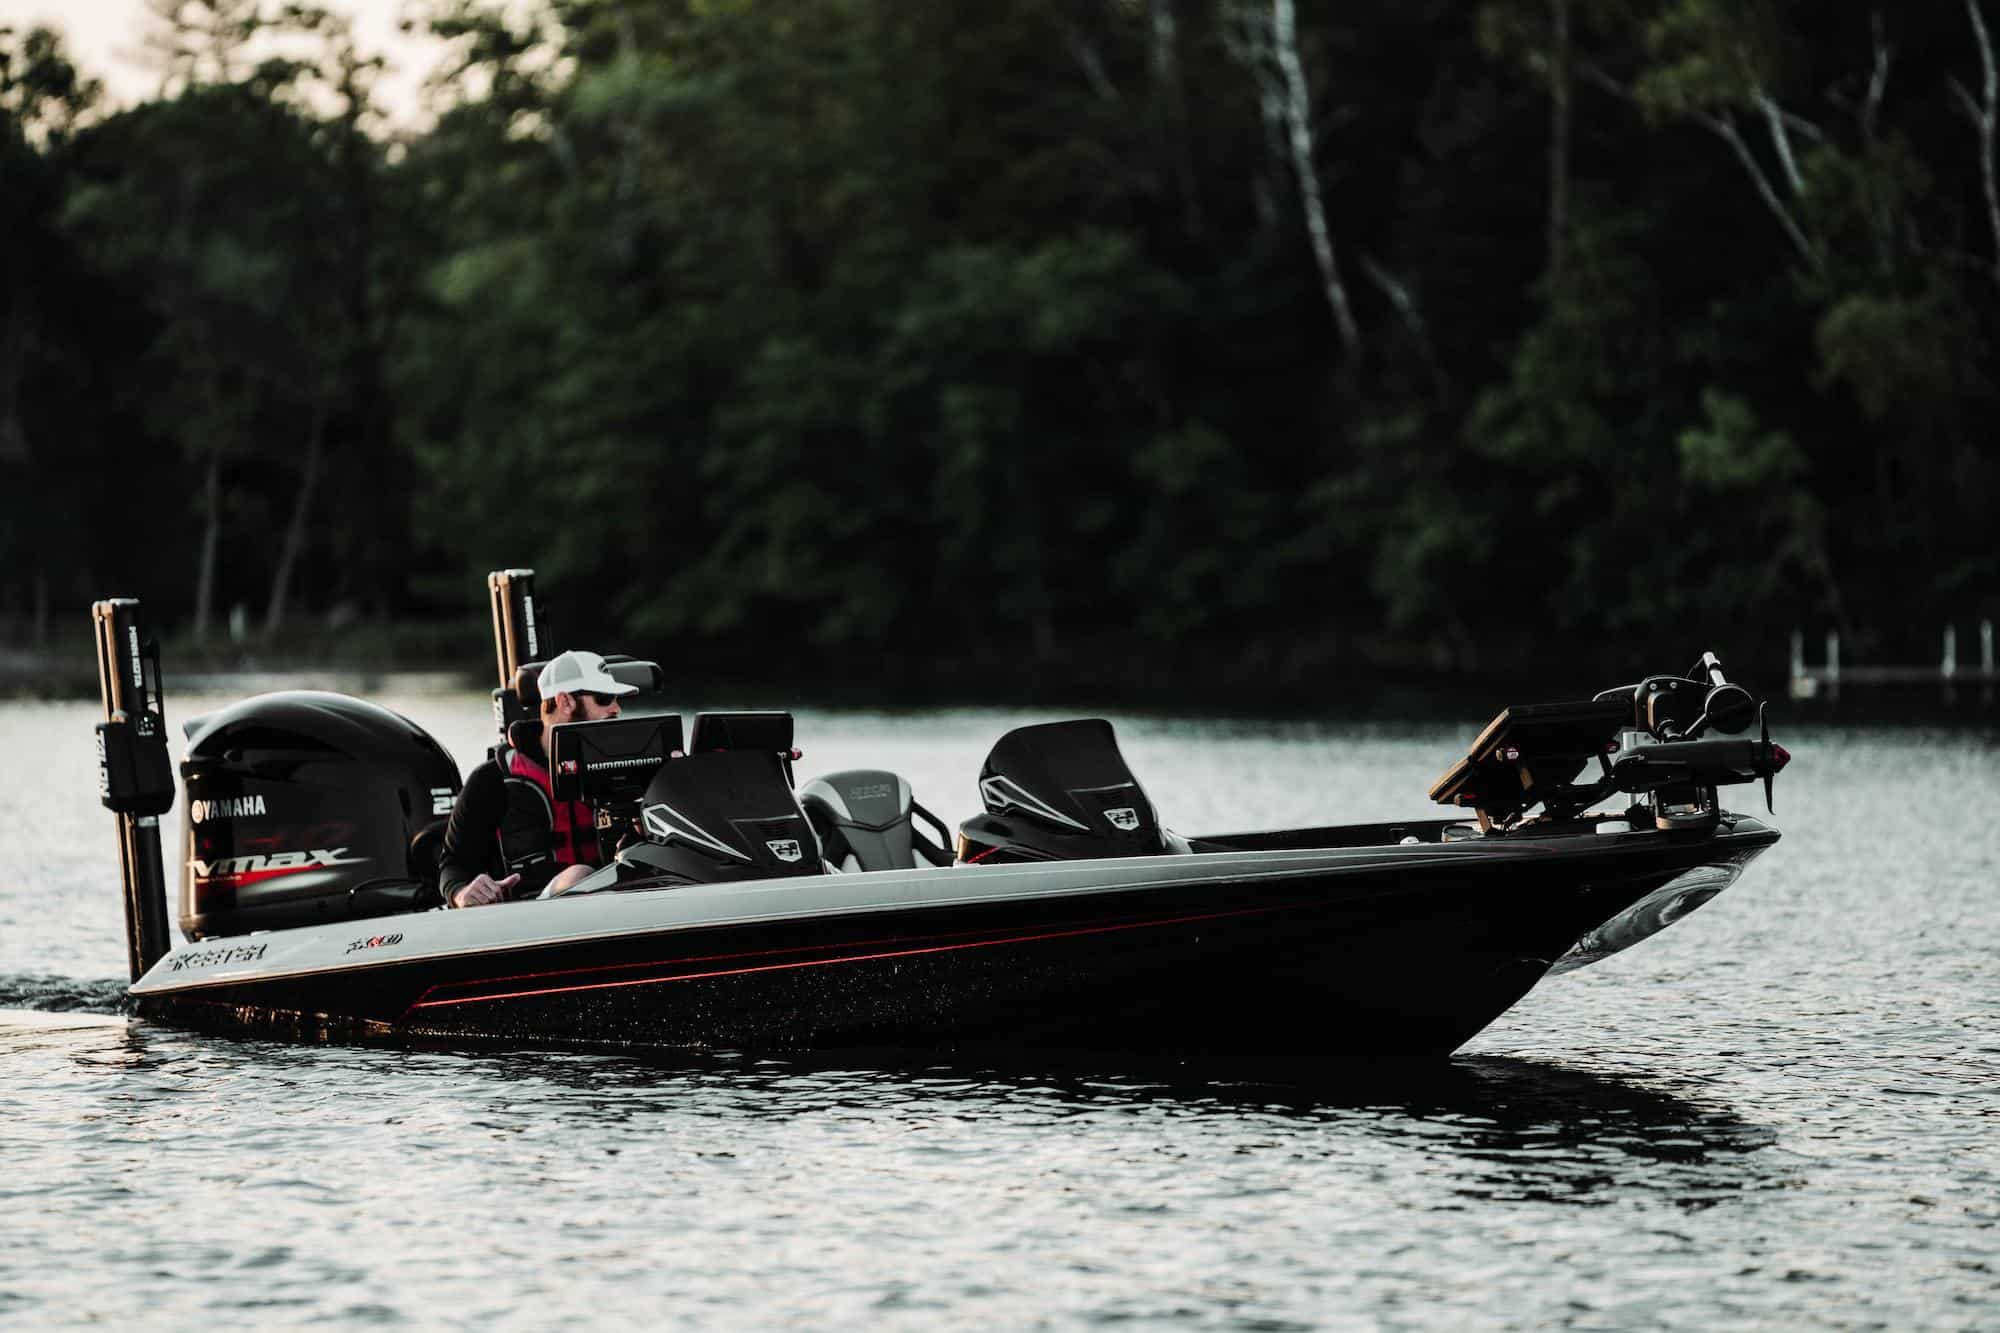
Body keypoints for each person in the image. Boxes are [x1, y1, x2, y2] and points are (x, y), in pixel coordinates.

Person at [437, 648, 638, 908]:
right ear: (565, 701)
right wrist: (461, 893)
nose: (616, 708)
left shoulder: (630, 770)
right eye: (604, 698)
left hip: (622, 905)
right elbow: (453, 864)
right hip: (531, 917)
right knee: (579, 875)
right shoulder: (491, 781)